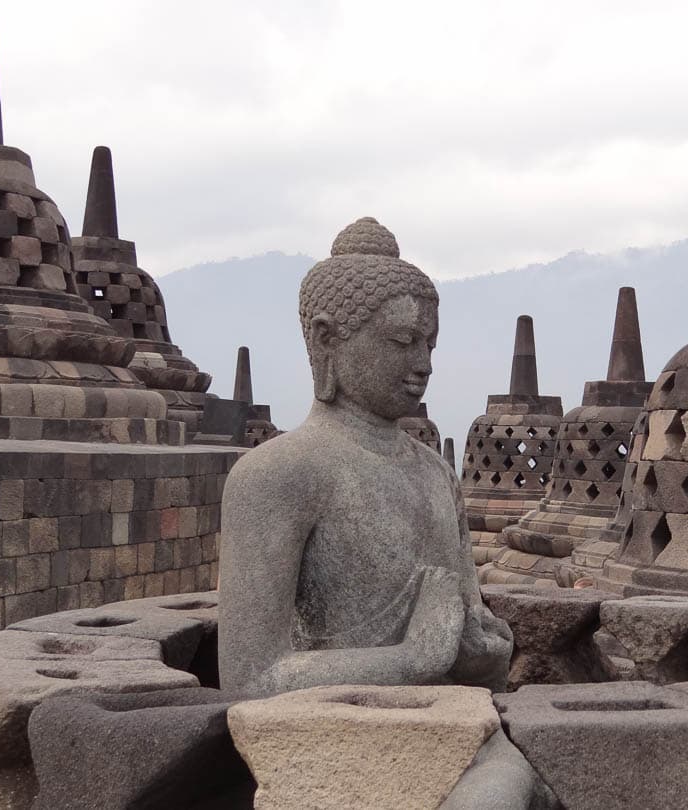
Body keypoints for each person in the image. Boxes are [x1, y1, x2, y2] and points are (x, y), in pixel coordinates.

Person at [218, 217, 512, 698]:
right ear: (327, 338)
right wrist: (410, 661)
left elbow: (464, 646)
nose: (424, 365)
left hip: (453, 729)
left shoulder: (437, 473)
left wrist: (480, 653)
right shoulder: (276, 475)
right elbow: (249, 678)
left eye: (429, 344)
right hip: (334, 744)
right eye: (402, 342)